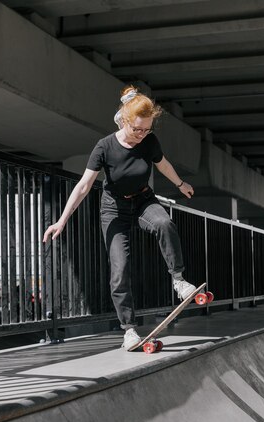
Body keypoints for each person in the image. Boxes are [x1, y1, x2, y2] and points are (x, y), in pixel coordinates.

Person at [43, 85, 197, 350]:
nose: (141, 135)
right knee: (120, 268)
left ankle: (179, 281)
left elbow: (163, 165)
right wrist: (62, 220)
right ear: (124, 121)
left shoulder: (149, 142)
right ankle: (129, 330)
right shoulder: (104, 147)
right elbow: (83, 186)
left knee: (164, 222)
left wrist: (180, 184)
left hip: (143, 200)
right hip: (113, 209)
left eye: (147, 130)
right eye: (137, 129)